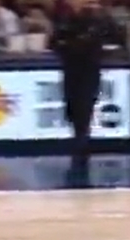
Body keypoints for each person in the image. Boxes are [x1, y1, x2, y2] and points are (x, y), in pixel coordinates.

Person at [52, 0, 114, 168]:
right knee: (71, 108)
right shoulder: (64, 20)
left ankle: (82, 145)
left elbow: (102, 39)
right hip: (70, 70)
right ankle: (79, 140)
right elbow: (55, 43)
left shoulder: (97, 20)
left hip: (89, 71)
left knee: (84, 107)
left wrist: (72, 45)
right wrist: (72, 45)